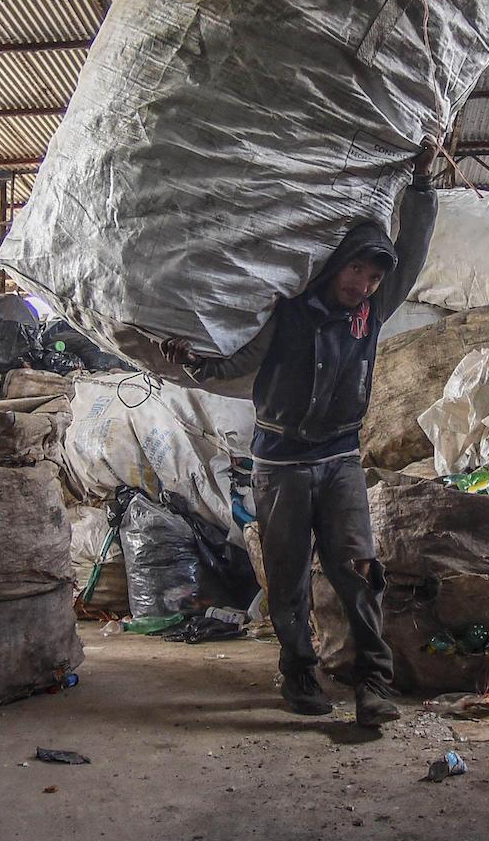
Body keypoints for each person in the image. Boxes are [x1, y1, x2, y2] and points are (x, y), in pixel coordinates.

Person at [166, 147, 439, 728]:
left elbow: (411, 254)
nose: (364, 284)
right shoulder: (288, 314)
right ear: (334, 264)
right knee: (288, 577)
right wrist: (189, 362)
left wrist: (421, 184)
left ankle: (373, 683)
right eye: (356, 270)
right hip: (281, 465)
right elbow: (232, 361)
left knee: (359, 572)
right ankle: (297, 673)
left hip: (341, 459)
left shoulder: (372, 312)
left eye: (373, 275)